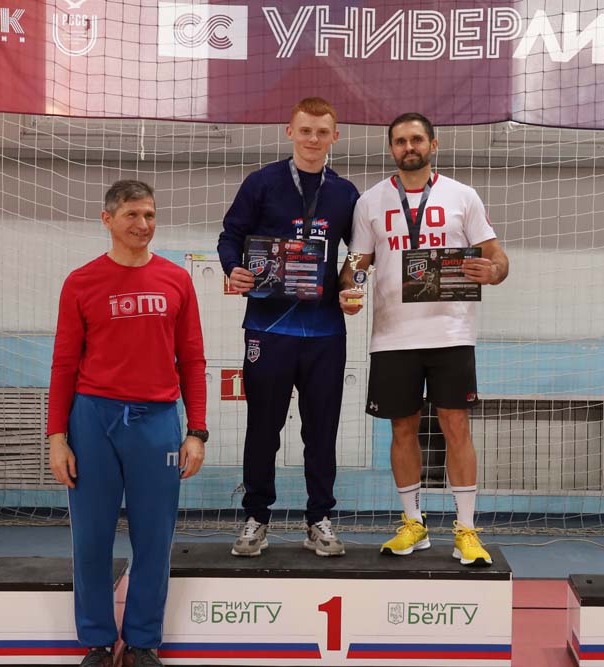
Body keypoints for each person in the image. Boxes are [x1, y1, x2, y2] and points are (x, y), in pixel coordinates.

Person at [47, 181, 207, 667]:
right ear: (108, 219)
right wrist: (57, 437)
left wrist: (196, 430)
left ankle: (142, 642)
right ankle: (98, 642)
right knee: (91, 538)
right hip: (92, 420)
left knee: (154, 538)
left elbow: (192, 359)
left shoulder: (176, 280)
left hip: (157, 420)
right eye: (132, 215)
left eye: (150, 215)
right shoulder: (81, 282)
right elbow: (63, 364)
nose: (143, 224)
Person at [341, 112, 510, 567]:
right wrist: (349, 289)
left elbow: (497, 258)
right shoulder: (370, 201)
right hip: (392, 336)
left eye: (416, 139)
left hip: (451, 332)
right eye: (400, 141)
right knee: (402, 428)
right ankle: (413, 523)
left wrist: (492, 271)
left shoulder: (462, 195)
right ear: (391, 148)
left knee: (456, 425)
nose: (408, 147)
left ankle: (466, 530)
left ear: (433, 145)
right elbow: (357, 263)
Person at [217, 97, 359, 557]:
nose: (313, 139)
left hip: (325, 332)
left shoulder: (345, 193)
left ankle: (319, 519)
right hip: (268, 328)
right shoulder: (261, 182)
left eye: (322, 132)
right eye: (305, 130)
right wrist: (234, 268)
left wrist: (351, 287)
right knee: (263, 426)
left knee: (321, 430)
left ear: (335, 136)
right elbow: (230, 236)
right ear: (290, 132)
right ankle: (257, 517)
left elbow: (359, 254)